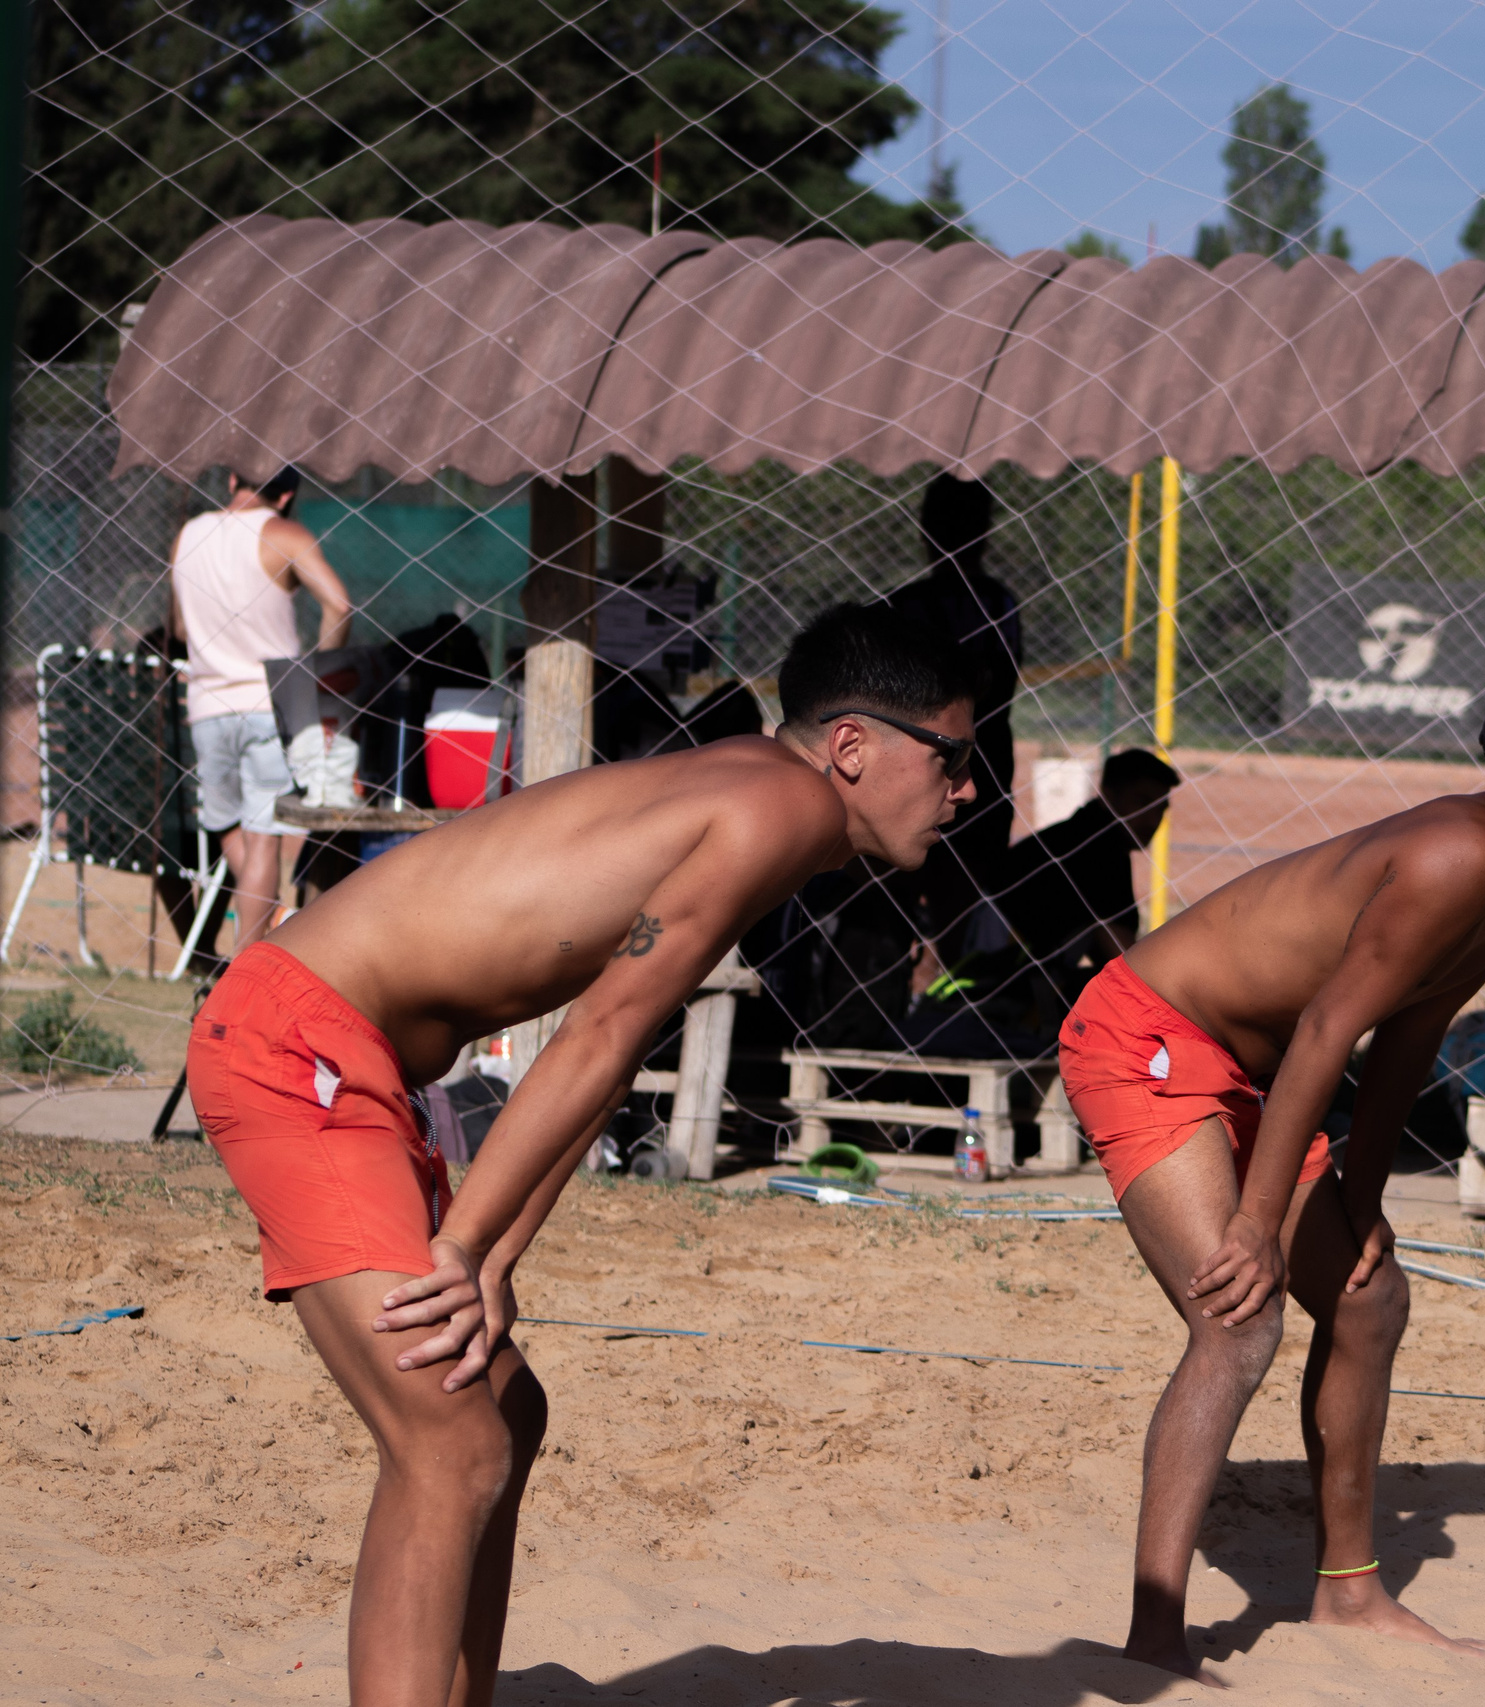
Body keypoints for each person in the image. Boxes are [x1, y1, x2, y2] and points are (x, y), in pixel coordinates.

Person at [185, 602, 974, 1707]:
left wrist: (493, 1254)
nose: (967, 789)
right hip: (298, 1044)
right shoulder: (779, 808)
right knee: (451, 1439)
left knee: (504, 1406)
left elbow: (606, 1049)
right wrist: (460, 1242)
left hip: (345, 1054)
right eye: (953, 757)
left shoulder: (753, 796)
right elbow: (600, 1032)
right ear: (852, 747)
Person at [1057, 651, 1485, 1680]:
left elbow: (1413, 1031)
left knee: (1368, 1299)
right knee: (1238, 1315)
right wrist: (1259, 1225)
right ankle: (1153, 1638)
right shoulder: (1451, 855)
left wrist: (1360, 1197)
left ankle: (1348, 1595)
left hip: (1259, 1071)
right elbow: (1326, 1032)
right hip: (1149, 1037)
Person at [169, 466, 354, 948]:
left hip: (207, 706)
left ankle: (261, 922)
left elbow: (182, 630)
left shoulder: (188, 535)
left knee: (232, 828)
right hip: (270, 705)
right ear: (288, 492)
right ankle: (248, 964)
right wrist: (321, 673)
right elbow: (339, 604)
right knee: (264, 840)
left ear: (233, 480)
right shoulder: (284, 533)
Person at [891, 474, 1022, 969]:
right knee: (954, 884)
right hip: (980, 766)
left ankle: (924, 974)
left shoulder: (910, 606)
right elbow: (998, 686)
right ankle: (941, 974)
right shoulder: (996, 603)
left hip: (935, 767)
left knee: (921, 873)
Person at [1002, 748, 1181, 1013]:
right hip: (999, 984)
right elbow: (1124, 961)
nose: (1154, 820)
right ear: (1108, 794)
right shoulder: (1099, 850)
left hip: (1004, 970)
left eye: (1161, 809)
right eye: (1143, 803)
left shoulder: (1084, 832)